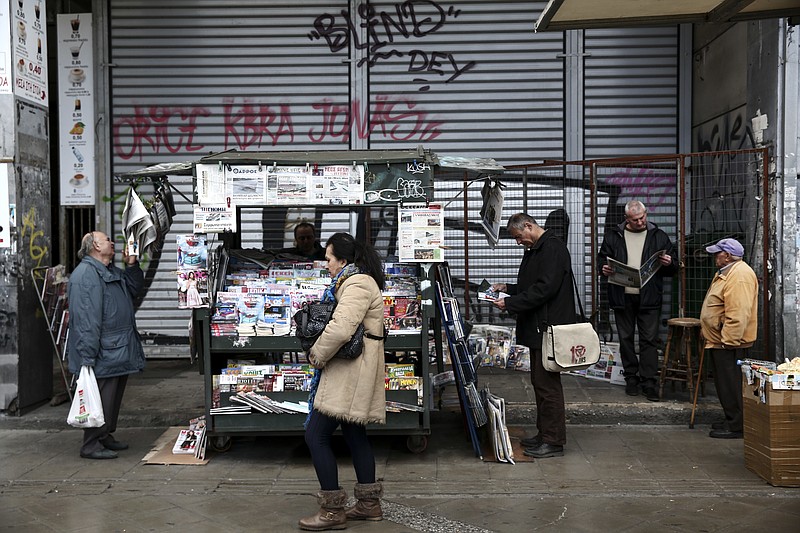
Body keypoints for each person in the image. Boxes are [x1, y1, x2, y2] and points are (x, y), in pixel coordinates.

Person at [299, 232, 387, 530]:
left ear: (344, 260)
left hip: (350, 372)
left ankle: (332, 512)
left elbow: (340, 328)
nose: (326, 265)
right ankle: (368, 504)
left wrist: (317, 355)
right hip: (355, 370)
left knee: (316, 435)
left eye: (328, 259)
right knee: (353, 433)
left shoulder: (358, 284)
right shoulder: (354, 282)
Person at [490, 213, 574, 459]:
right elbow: (532, 285)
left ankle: (553, 440)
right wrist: (508, 289)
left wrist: (511, 303)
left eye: (518, 237)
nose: (519, 242)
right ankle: (545, 434)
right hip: (540, 327)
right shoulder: (538, 249)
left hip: (548, 328)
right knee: (540, 383)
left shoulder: (552, 248)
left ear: (528, 226)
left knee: (548, 385)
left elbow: (545, 288)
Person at [66, 231, 145, 459]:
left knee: (111, 397)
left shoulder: (108, 271)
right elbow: (86, 320)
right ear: (95, 247)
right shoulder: (86, 276)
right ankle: (90, 444)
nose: (112, 242)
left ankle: (104, 436)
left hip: (117, 347)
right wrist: (87, 357)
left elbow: (132, 288)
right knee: (99, 397)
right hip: (102, 350)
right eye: (107, 240)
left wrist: (131, 265)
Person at [598, 200, 678, 400]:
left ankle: (649, 381)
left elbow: (674, 266)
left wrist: (669, 262)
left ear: (646, 213)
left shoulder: (658, 236)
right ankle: (631, 378)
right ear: (627, 219)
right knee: (625, 339)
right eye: (635, 220)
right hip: (622, 297)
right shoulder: (613, 236)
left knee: (648, 340)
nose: (641, 222)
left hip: (649, 297)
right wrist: (604, 269)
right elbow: (602, 260)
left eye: (643, 217)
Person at [699, 238, 758, 439]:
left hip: (729, 343)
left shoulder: (739, 276)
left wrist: (729, 341)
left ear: (728, 256)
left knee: (731, 384)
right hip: (722, 340)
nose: (715, 256)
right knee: (726, 384)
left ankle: (737, 425)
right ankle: (732, 418)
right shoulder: (729, 272)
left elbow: (738, 312)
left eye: (718, 253)